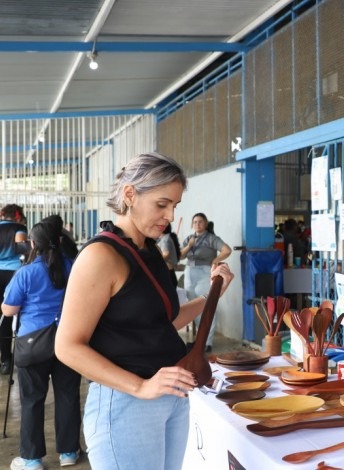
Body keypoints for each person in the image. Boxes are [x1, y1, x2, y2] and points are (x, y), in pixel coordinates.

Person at [54, 152, 235, 470]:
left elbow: (163, 322)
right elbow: (67, 346)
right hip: (127, 402)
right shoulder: (101, 255)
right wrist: (141, 386)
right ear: (130, 194)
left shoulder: (150, 251)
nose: (169, 215)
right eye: (161, 204)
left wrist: (213, 293)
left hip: (170, 396)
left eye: (174, 206)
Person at [3, 222, 81, 470]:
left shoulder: (25, 273)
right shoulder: (74, 268)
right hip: (69, 341)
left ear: (33, 244)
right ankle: (69, 452)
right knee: (68, 396)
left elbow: (9, 309)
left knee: (32, 400)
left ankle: (32, 459)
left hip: (33, 343)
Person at [179, 212, 231, 352]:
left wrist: (215, 260)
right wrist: (189, 246)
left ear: (206, 224)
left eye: (200, 222)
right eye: (195, 222)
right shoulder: (190, 239)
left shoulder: (211, 238)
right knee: (193, 305)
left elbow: (227, 250)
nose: (197, 224)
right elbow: (180, 256)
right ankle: (201, 339)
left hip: (204, 271)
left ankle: (207, 342)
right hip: (190, 270)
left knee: (206, 303)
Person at [0, 204, 28, 375]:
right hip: (14, 274)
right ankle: (15, 358)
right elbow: (23, 250)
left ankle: (4, 360)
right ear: (18, 216)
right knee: (12, 316)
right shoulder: (19, 229)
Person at [158, 222, 180, 286]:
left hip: (168, 273)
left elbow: (166, 254)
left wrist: (154, 260)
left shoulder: (165, 239)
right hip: (169, 273)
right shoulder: (166, 238)